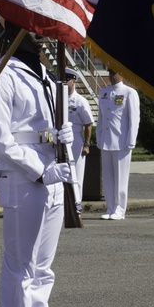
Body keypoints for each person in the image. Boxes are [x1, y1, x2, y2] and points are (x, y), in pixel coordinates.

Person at [0, 22, 73, 307]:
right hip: (24, 176)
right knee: (21, 267)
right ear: (10, 32)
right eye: (28, 25)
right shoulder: (2, 76)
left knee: (42, 269)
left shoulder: (47, 77)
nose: (39, 31)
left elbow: (41, 129)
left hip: (50, 174)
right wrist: (40, 170)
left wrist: (60, 136)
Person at [96, 69, 140, 220]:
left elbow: (134, 119)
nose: (111, 76)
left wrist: (131, 140)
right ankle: (110, 208)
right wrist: (99, 137)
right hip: (106, 141)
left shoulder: (129, 93)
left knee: (121, 178)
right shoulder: (104, 92)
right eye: (110, 73)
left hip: (121, 142)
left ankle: (120, 209)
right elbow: (101, 118)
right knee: (108, 178)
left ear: (122, 74)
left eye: (114, 73)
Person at [64, 68, 93, 210]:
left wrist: (87, 144)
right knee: (63, 172)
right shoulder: (58, 99)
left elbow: (88, 124)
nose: (64, 83)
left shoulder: (81, 101)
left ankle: (76, 204)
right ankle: (64, 203)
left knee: (76, 172)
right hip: (61, 139)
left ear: (73, 81)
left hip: (75, 139)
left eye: (67, 80)